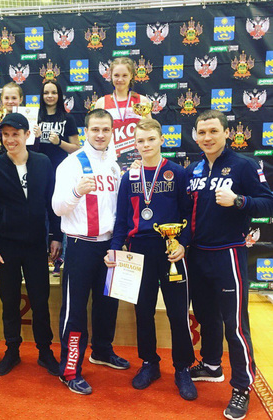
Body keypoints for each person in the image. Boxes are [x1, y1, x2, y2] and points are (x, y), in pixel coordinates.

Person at [187, 110, 273, 420]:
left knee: (235, 324)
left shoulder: (244, 165)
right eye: (202, 132)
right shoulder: (193, 168)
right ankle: (212, 365)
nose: (207, 137)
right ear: (196, 136)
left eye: (213, 131)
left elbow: (268, 202)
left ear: (226, 133)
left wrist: (239, 201)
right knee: (206, 317)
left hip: (228, 254)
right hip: (197, 255)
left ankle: (242, 387)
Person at [104, 118, 197, 401]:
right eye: (140, 141)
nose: (146, 145)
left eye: (151, 139)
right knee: (143, 311)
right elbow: (122, 219)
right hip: (138, 251)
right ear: (135, 144)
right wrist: (114, 248)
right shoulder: (129, 177)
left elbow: (189, 214)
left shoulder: (176, 173)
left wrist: (183, 244)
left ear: (161, 140)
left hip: (170, 249)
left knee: (177, 312)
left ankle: (182, 367)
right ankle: (149, 363)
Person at [0, 112, 62, 377]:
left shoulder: (43, 162)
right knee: (10, 301)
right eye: (5, 135)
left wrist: (56, 236)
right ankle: (12, 350)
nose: (10, 139)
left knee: (40, 300)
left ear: (27, 134)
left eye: (15, 134)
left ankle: (45, 351)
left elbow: (52, 203)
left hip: (36, 245)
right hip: (5, 248)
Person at [52, 109, 129, 396]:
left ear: (112, 132)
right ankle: (70, 370)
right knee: (75, 310)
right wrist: (76, 192)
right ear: (86, 131)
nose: (100, 134)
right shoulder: (71, 164)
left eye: (105, 129)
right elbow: (57, 208)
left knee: (108, 303)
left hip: (109, 245)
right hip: (80, 245)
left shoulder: (114, 165)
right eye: (95, 129)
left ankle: (102, 351)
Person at [33, 80, 80, 276]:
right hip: (38, 173)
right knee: (39, 214)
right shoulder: (35, 116)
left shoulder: (67, 119)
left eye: (54, 92)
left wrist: (59, 142)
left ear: (59, 95)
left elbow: (76, 148)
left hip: (60, 173)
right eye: (46, 93)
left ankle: (60, 259)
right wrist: (35, 137)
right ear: (42, 96)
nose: (50, 96)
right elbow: (26, 145)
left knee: (59, 213)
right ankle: (38, 260)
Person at [95, 57, 151, 165]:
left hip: (138, 160)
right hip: (109, 160)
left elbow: (151, 131)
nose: (120, 79)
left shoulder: (142, 101)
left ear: (131, 76)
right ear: (111, 76)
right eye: (116, 75)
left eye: (124, 75)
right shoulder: (101, 103)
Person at [0, 82, 24, 157]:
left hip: (23, 160)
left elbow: (34, 149)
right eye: (6, 98)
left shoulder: (28, 117)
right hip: (3, 161)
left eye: (14, 98)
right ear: (2, 99)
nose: (10, 101)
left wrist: (36, 137)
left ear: (20, 99)